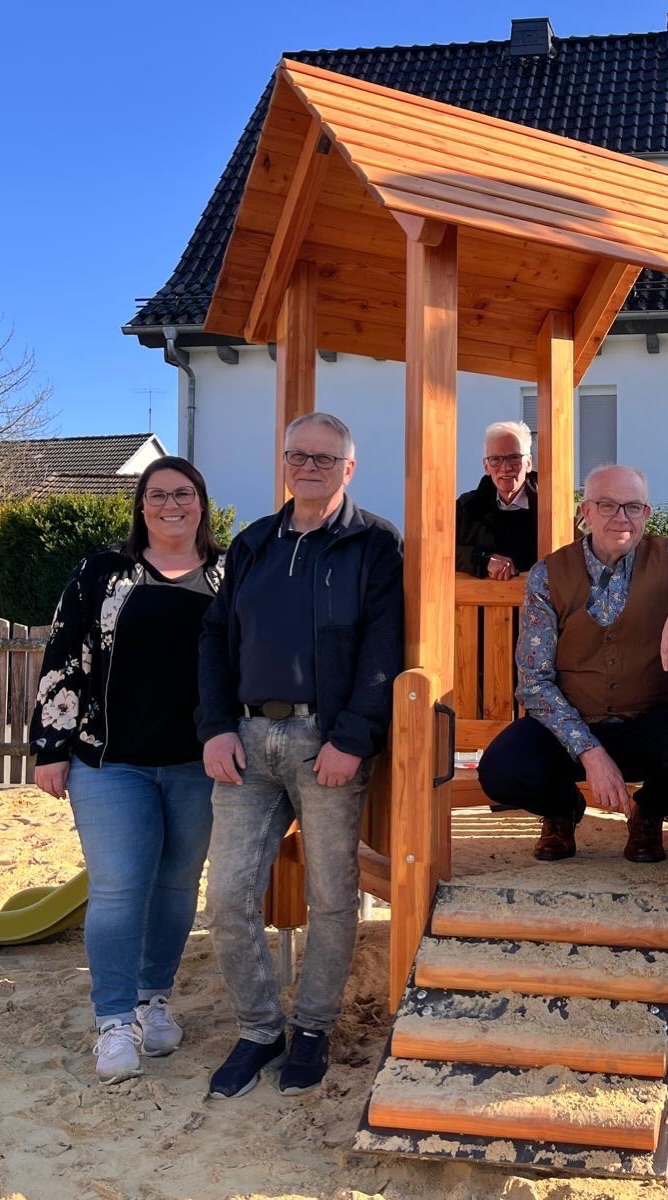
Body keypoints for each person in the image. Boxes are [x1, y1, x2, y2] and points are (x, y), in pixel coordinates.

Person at [198, 412, 403, 1100]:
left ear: (349, 468)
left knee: (332, 897)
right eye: (298, 456)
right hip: (246, 742)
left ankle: (312, 1027)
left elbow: (383, 646)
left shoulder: (375, 542)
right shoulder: (253, 542)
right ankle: (260, 1029)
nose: (309, 467)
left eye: (324, 458)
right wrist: (215, 727)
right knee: (227, 895)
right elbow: (214, 639)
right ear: (284, 462)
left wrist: (353, 737)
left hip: (326, 745)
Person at [29, 456, 225, 1084]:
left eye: (183, 493)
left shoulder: (228, 576)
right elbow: (64, 655)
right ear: (141, 506)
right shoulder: (101, 573)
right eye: (157, 495)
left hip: (199, 763)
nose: (172, 505)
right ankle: (114, 1022)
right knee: (117, 888)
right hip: (110, 761)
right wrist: (50, 747)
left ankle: (152, 1001)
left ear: (201, 502)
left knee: (178, 885)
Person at [477, 464, 668, 863]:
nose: (621, 517)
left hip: (646, 724)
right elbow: (534, 683)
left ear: (646, 513)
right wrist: (589, 752)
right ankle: (562, 810)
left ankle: (649, 812)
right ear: (586, 512)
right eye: (607, 505)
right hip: (570, 726)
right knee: (501, 769)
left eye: (632, 507)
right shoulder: (549, 574)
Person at [456, 420, 539, 580]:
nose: (506, 468)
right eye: (495, 459)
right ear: (486, 466)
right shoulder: (467, 508)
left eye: (514, 457)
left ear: (529, 463)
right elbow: (436, 550)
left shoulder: (551, 509)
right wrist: (481, 560)